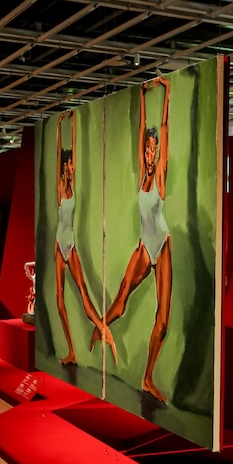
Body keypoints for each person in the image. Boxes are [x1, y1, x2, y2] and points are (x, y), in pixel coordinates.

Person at [93, 76, 172, 404]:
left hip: (162, 245)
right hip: (144, 246)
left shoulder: (161, 174)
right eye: (148, 149)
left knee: (163, 320)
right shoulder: (143, 173)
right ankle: (99, 328)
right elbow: (144, 129)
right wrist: (141, 95)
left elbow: (163, 128)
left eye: (154, 149)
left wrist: (165, 93)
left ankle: (148, 378)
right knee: (122, 299)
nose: (151, 152)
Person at [53, 109, 116, 366]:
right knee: (60, 301)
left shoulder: (72, 186)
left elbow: (75, 151)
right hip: (59, 244)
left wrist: (75, 121)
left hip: (71, 245)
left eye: (70, 164)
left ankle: (103, 330)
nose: (70, 166)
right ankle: (71, 351)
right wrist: (59, 129)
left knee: (84, 295)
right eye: (68, 164)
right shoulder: (60, 187)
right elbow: (60, 155)